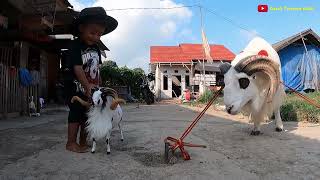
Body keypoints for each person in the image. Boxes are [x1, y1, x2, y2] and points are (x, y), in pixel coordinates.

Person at [64, 7, 118, 153]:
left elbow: (97, 70)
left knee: (88, 114)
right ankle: (70, 142)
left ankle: (83, 141)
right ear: (81, 28)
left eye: (99, 34)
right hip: (75, 89)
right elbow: (77, 68)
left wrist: (98, 88)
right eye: (92, 32)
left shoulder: (96, 49)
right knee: (76, 112)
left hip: (91, 90)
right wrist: (87, 86)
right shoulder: (75, 46)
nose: (95, 37)